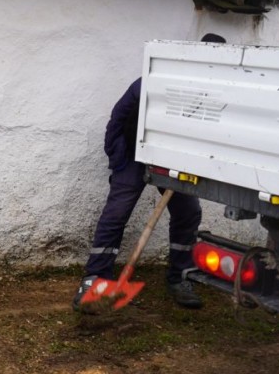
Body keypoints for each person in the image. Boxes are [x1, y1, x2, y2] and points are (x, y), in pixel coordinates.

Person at [72, 34, 227, 312]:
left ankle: (180, 277)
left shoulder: (212, 94)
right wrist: (118, 159)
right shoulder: (153, 81)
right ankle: (96, 278)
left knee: (188, 213)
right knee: (116, 213)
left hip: (173, 163)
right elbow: (117, 118)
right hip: (133, 156)